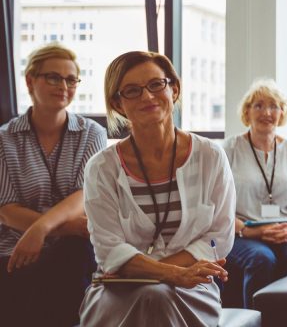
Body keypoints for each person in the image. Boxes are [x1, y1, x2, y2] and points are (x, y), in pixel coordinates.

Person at [80, 51, 235, 327]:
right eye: (132, 91)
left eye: (156, 85)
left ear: (173, 89)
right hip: (119, 289)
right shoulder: (101, 168)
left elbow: (219, 237)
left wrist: (168, 273)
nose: (148, 97)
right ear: (118, 103)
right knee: (154, 296)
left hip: (191, 287)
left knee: (158, 296)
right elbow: (109, 250)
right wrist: (168, 273)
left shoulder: (211, 156)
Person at [0, 43, 107, 326]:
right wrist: (59, 226)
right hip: (15, 247)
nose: (64, 85)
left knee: (74, 256)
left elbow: (85, 195)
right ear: (29, 81)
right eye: (53, 77)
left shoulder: (92, 133)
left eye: (71, 79)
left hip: (74, 248)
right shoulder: (4, 139)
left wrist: (42, 229)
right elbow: (7, 210)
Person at [223, 79, 287, 309]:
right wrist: (249, 230)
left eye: (274, 106)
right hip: (242, 231)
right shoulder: (229, 149)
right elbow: (217, 205)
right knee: (262, 258)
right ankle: (253, 320)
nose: (267, 112)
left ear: (282, 113)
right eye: (259, 105)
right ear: (247, 111)